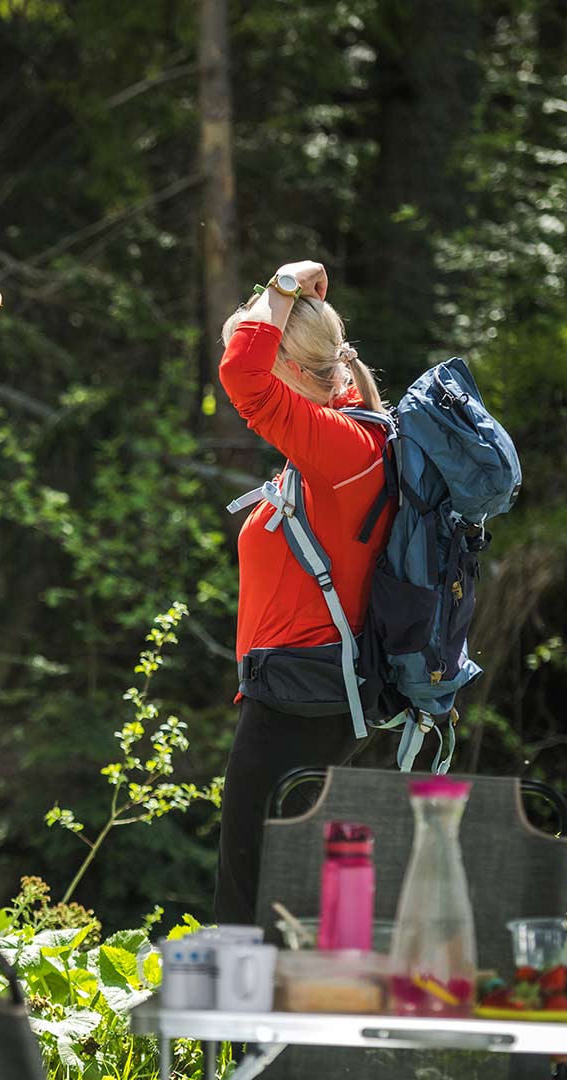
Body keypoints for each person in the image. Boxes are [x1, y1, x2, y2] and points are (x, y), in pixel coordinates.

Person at [212, 259, 396, 927]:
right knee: (284, 897)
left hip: (297, 701)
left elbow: (241, 374)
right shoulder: (348, 437)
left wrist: (282, 286)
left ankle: (250, 1001)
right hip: (303, 694)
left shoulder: (343, 447)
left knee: (247, 900)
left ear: (287, 368)